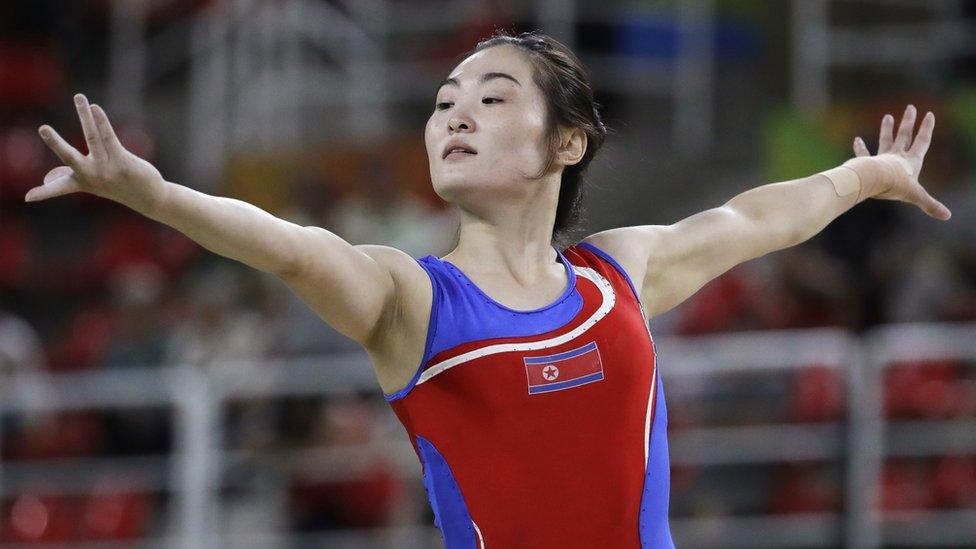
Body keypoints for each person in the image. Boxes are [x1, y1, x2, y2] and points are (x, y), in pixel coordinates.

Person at [26, 29, 950, 549]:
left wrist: (863, 180)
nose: (455, 112)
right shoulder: (411, 301)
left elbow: (750, 220)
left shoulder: (613, 274)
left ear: (567, 142)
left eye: (494, 95)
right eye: (442, 102)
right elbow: (294, 250)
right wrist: (155, 193)